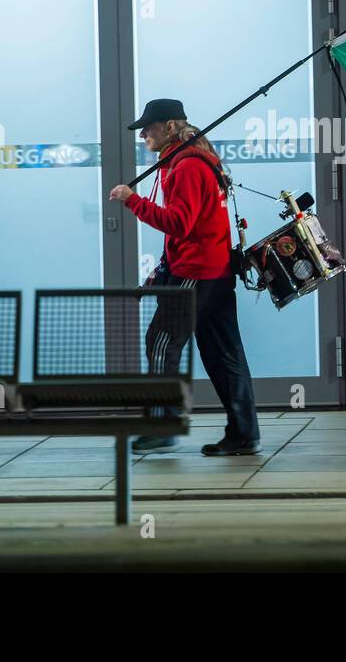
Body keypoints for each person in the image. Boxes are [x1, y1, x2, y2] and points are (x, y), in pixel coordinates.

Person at [108, 98, 261, 456]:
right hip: (216, 271)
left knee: (161, 342)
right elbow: (188, 228)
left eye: (149, 126)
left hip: (196, 273)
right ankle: (244, 433)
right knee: (224, 354)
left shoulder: (187, 166)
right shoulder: (190, 160)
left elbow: (179, 223)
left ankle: (162, 426)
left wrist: (133, 201)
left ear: (171, 127)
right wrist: (164, 267)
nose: (143, 133)